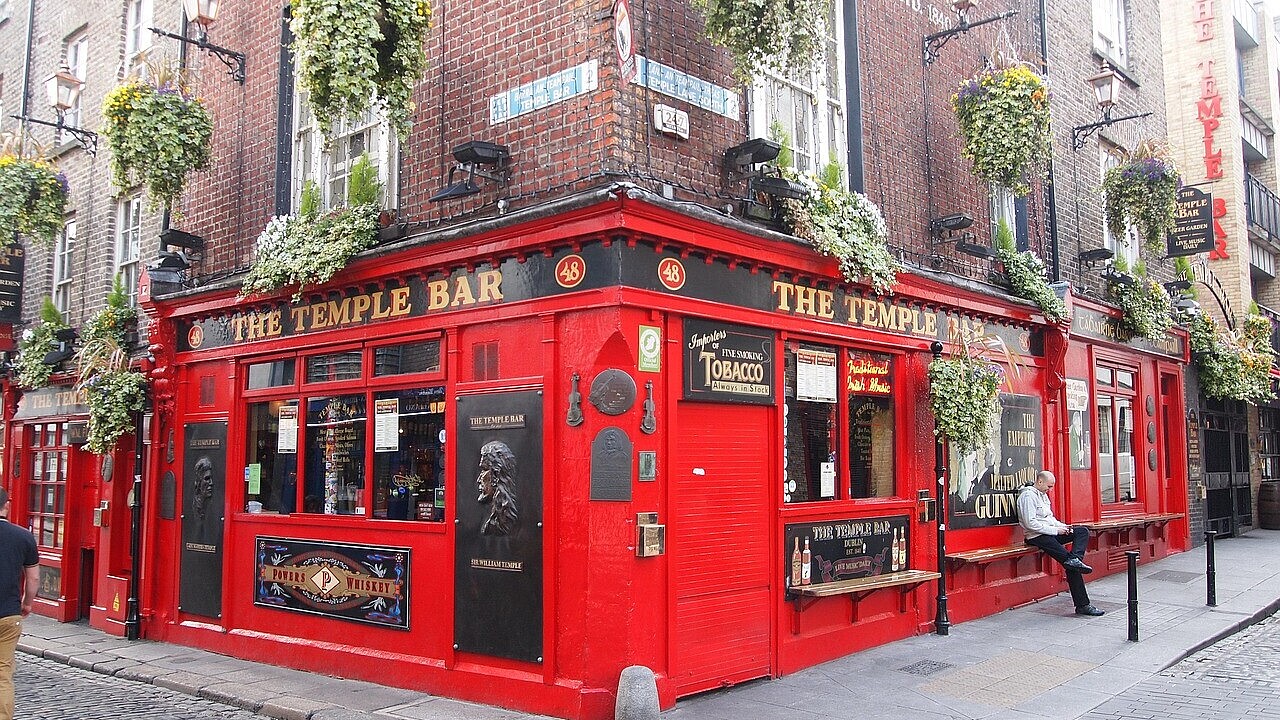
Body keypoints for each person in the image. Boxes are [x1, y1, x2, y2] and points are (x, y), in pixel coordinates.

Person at [1017, 470, 1105, 617]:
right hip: (1037, 536)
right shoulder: (1028, 496)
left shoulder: (1043, 496)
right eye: (1049, 486)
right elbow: (1030, 523)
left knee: (1081, 531)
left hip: (1050, 533)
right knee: (1072, 566)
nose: (1049, 490)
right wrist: (1056, 531)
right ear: (1039, 482)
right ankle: (1083, 605)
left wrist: (1062, 527)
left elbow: (1050, 518)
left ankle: (1075, 559)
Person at [1, 486, 40, 720]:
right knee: (2, 674)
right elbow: (34, 578)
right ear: (6, 506)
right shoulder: (23, 536)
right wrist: (27, 603)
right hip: (8, 614)